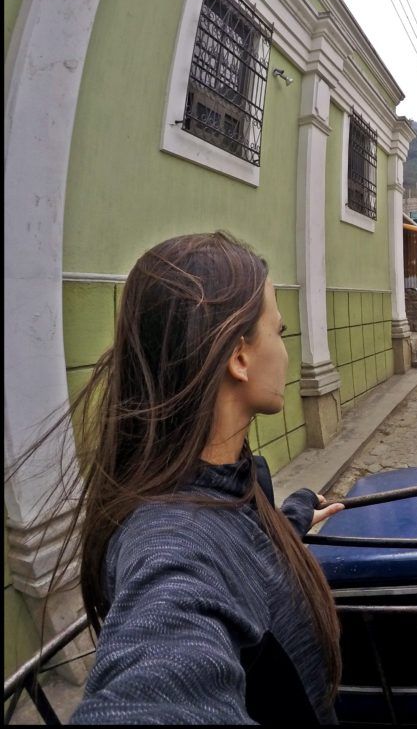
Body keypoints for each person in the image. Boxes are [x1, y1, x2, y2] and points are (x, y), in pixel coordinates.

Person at [10, 232, 344, 724]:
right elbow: (160, 680)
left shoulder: (230, 477)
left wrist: (289, 518)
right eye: (279, 329)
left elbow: (242, 555)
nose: (287, 349)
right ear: (240, 356)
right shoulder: (171, 541)